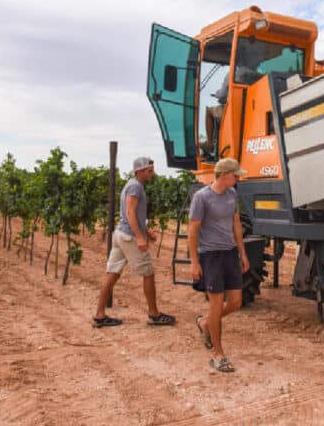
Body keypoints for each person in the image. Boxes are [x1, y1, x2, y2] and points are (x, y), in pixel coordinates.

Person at [93, 157, 175, 328]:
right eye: (149, 170)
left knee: (112, 273)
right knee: (148, 273)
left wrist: (147, 232)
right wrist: (139, 236)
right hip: (129, 236)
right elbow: (130, 213)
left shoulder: (132, 185)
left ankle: (99, 315)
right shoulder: (135, 187)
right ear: (139, 171)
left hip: (120, 234)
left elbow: (133, 214)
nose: (152, 173)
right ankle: (154, 314)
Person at [188, 158, 250, 373]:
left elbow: (235, 223)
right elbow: (193, 230)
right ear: (223, 175)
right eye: (235, 175)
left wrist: (242, 253)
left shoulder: (232, 194)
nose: (238, 178)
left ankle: (206, 322)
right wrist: (194, 262)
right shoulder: (202, 198)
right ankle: (218, 354)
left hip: (230, 253)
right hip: (210, 256)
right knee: (216, 305)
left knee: (235, 302)